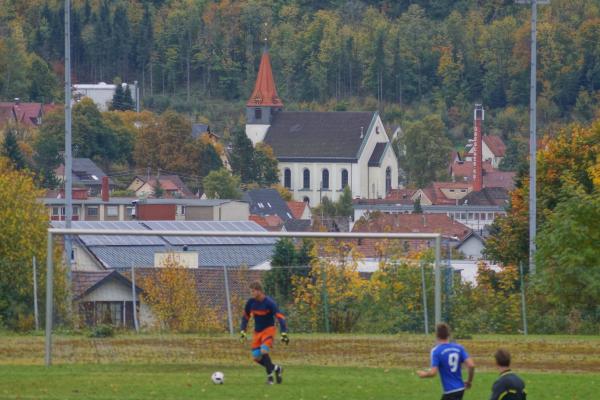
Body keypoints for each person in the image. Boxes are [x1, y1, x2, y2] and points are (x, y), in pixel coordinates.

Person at [240, 281, 289, 385]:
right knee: (256, 357)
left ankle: (270, 378)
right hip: (257, 332)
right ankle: (277, 368)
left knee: (264, 351)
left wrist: (284, 333)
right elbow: (245, 317)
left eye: (253, 291)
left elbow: (280, 317)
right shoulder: (251, 303)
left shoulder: (269, 303)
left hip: (268, 330)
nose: (251, 293)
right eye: (251, 291)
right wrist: (243, 331)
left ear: (259, 291)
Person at [417, 323, 475, 400]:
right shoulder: (459, 348)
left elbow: (433, 373)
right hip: (460, 388)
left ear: (436, 335)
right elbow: (471, 365)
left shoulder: (436, 351)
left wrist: (424, 374)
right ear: (449, 334)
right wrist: (469, 381)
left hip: (450, 391)